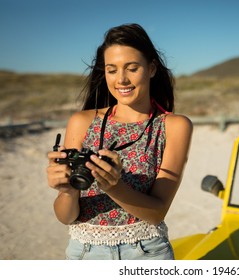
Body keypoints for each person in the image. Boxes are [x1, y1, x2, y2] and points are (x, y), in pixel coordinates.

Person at [46, 23, 193, 260]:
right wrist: (67, 191)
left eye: (132, 68)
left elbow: (157, 213)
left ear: (152, 68)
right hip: (84, 254)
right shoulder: (82, 121)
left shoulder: (173, 126)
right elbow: (66, 217)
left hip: (147, 254)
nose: (121, 80)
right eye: (111, 70)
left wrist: (114, 186)